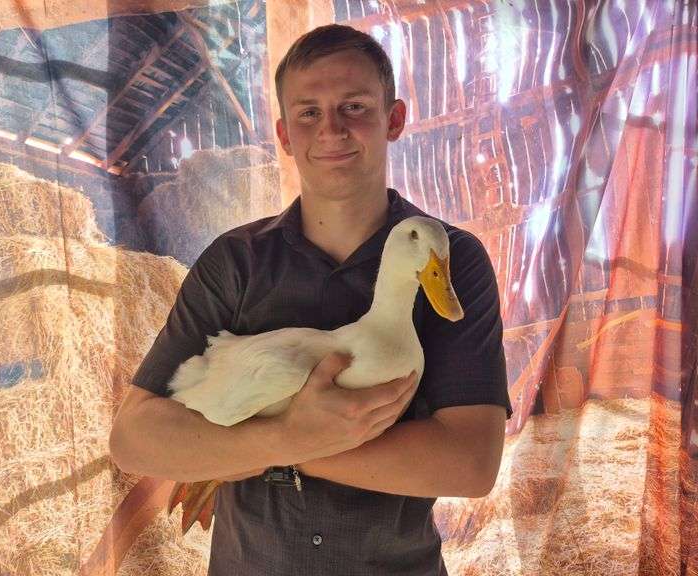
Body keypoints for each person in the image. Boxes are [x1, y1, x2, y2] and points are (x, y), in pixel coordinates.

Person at [110, 23, 513, 576]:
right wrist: (287, 436)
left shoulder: (452, 260)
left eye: (354, 107)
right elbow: (136, 439)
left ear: (394, 118)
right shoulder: (234, 262)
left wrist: (262, 447)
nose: (331, 130)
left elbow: (469, 464)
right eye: (308, 113)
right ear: (283, 133)